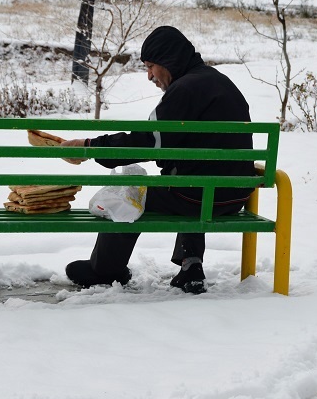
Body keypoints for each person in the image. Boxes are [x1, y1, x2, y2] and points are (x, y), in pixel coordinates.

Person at [61, 26, 257, 294]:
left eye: (151, 66)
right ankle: (191, 266)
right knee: (186, 180)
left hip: (197, 196)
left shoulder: (186, 89)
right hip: (234, 195)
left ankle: (103, 271)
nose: (149, 75)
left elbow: (148, 141)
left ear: (170, 60)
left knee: (127, 193)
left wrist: (91, 147)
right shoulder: (218, 82)